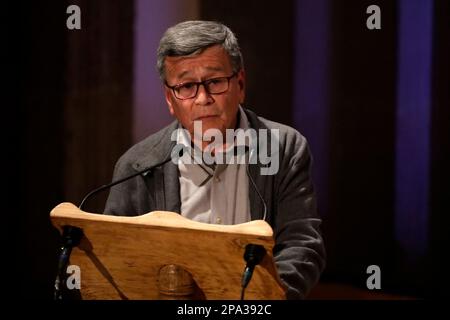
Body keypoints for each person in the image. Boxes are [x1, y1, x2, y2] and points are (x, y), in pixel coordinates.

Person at [104, 20, 326, 299]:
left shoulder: (284, 149)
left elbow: (302, 245)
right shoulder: (137, 165)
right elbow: (115, 257)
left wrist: (259, 299)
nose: (202, 98)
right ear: (170, 99)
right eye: (186, 86)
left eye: (215, 82)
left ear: (240, 84)